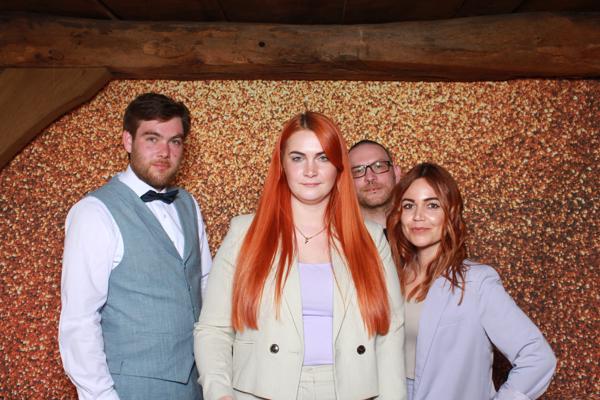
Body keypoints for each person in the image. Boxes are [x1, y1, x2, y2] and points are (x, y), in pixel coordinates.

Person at [194, 112, 406, 400]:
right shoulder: (245, 233)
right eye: (298, 158)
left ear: (339, 167)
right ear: (282, 165)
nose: (310, 170)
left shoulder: (370, 237)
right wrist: (220, 394)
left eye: (323, 158)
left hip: (353, 392)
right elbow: (213, 329)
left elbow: (390, 332)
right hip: (260, 392)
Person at [59, 93, 212, 400]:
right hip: (130, 390)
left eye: (175, 141)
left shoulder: (189, 204)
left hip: (197, 387)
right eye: (152, 139)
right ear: (128, 141)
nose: (164, 152)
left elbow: (206, 288)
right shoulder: (94, 212)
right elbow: (79, 322)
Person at [386, 162, 556, 400]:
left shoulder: (476, 282)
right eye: (409, 205)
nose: (418, 216)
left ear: (450, 213)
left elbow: (537, 357)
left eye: (432, 205)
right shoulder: (390, 276)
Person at [348, 140, 400, 228]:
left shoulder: (421, 229)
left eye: (378, 166)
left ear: (396, 173)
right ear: (346, 182)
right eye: (358, 171)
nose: (370, 177)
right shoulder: (334, 234)